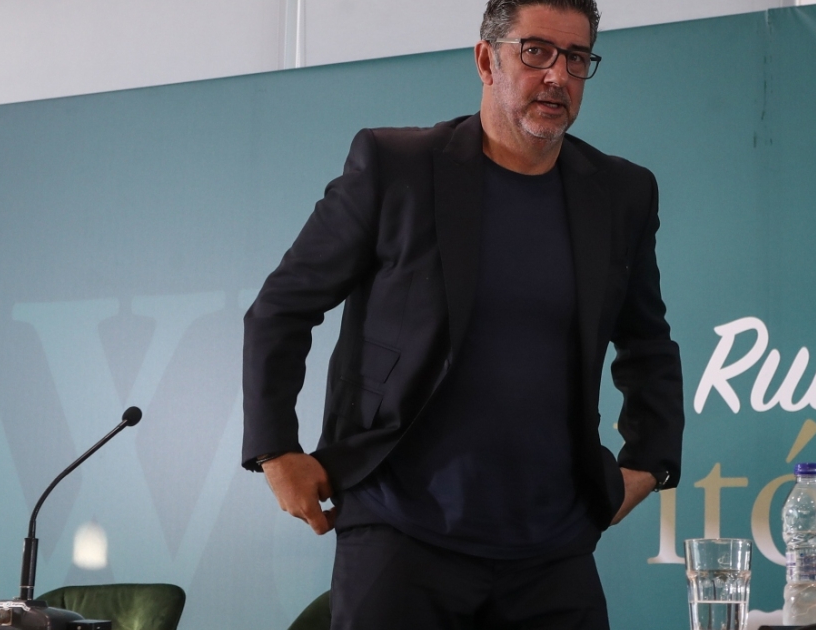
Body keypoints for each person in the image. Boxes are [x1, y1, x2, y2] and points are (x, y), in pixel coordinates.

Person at [240, 0, 684, 627]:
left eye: (577, 58)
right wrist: (275, 450)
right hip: (400, 530)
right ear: (486, 59)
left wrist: (649, 462)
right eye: (536, 51)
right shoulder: (394, 167)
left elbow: (648, 343)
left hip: (553, 548)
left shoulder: (621, 193)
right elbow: (281, 309)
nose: (557, 75)